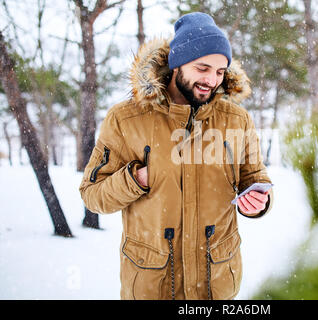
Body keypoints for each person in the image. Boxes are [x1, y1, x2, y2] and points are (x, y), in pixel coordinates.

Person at [79, 12, 274, 300]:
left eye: (220, 72)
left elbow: (256, 179)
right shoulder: (126, 119)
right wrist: (136, 179)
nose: (212, 80)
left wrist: (258, 202)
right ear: (177, 64)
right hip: (151, 283)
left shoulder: (237, 120)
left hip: (216, 284)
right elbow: (92, 195)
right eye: (203, 68)